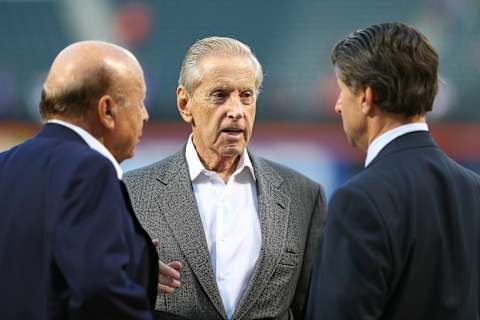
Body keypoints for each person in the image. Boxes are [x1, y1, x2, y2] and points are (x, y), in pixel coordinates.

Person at [123, 36, 326, 320]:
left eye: (246, 96)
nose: (236, 111)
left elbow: (311, 308)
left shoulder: (303, 195)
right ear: (185, 103)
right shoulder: (131, 193)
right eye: (220, 95)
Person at [306, 22, 480, 320]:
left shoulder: (359, 200)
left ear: (366, 97)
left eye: (342, 89)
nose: (337, 105)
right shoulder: (473, 188)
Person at [0, 41, 178, 319]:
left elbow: (41, 272)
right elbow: (100, 293)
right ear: (107, 110)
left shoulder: (6, 164)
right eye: (139, 101)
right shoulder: (90, 170)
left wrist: (134, 268)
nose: (145, 115)